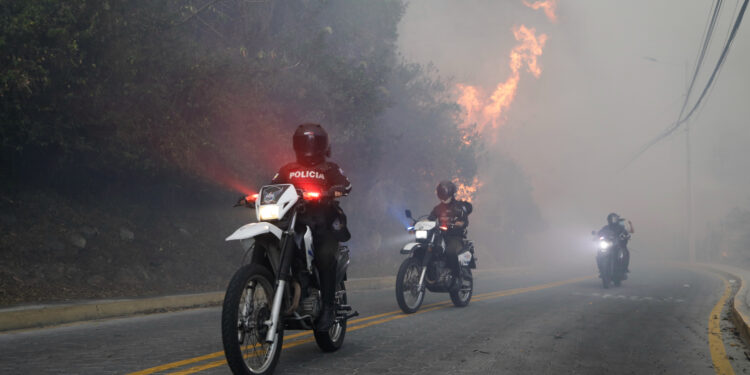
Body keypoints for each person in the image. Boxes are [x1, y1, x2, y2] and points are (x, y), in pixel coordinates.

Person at [270, 123, 351, 332]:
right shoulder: (287, 169)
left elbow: (346, 184)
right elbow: (272, 188)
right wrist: (256, 196)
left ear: (323, 145)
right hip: (294, 221)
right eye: (304, 141)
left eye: (314, 142)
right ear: (296, 144)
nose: (309, 146)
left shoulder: (330, 168)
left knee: (325, 256)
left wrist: (335, 190)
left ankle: (328, 308)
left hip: (323, 222)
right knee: (274, 243)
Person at [427, 180, 472, 288]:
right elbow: (430, 220)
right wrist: (420, 224)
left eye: (444, 193)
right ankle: (430, 275)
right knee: (428, 249)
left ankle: (456, 278)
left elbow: (465, 221)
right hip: (440, 236)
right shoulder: (437, 208)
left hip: (455, 236)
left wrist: (460, 223)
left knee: (450, 251)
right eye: (441, 193)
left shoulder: (459, 206)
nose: (442, 196)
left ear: (451, 193)